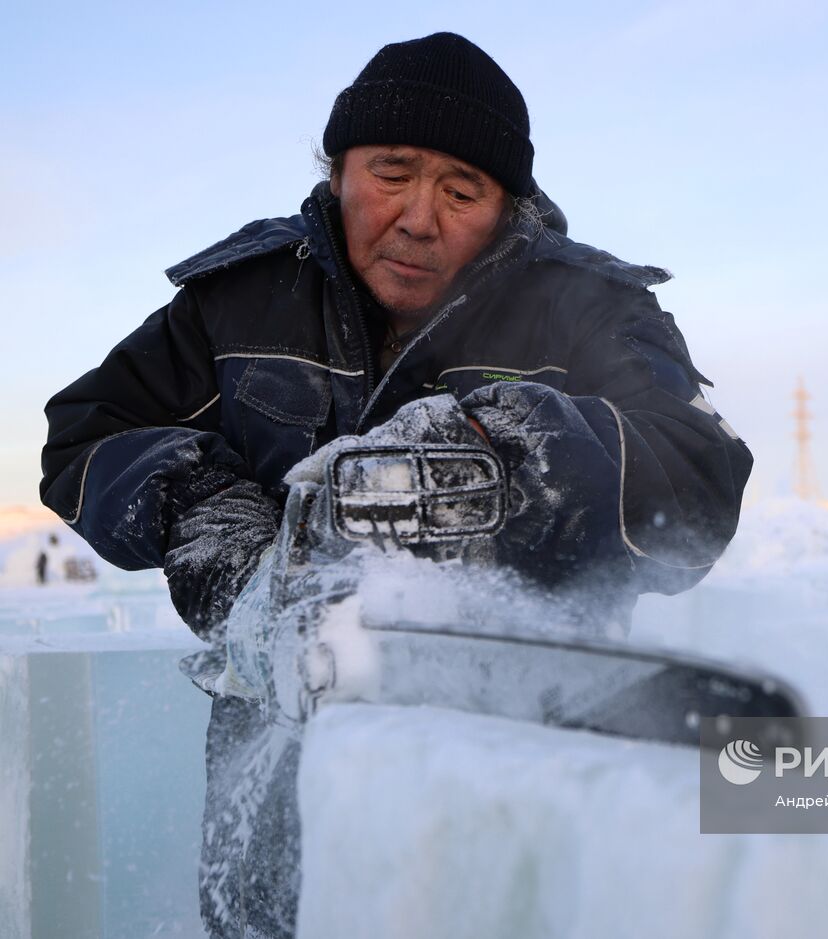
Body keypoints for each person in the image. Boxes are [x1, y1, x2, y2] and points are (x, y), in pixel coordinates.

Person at [40, 32, 750, 938]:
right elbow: (88, 433)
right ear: (338, 170)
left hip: (520, 746)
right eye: (392, 171)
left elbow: (701, 475)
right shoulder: (238, 299)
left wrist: (519, 452)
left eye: (462, 191)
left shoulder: (589, 307)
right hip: (271, 747)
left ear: (506, 208)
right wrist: (226, 540)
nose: (419, 217)